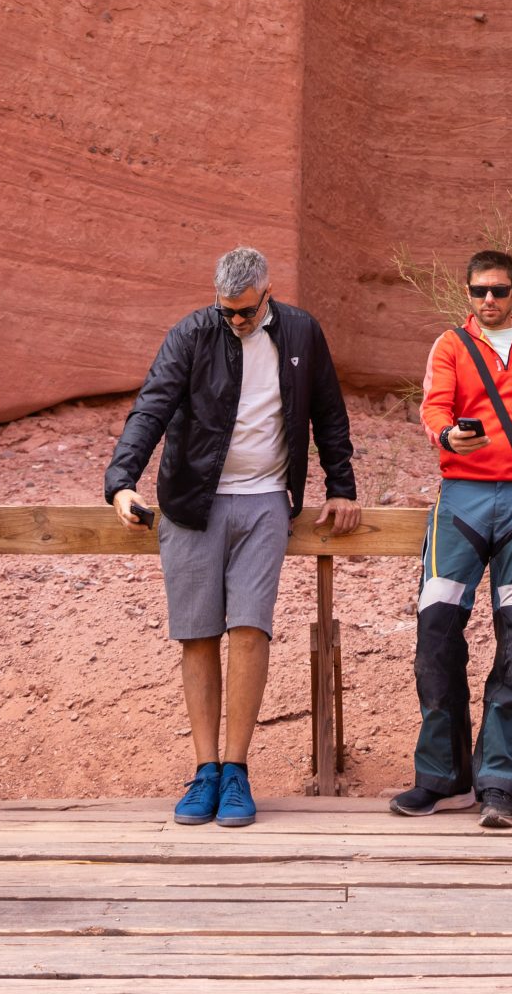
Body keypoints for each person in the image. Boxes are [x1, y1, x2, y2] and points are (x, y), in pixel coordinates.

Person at [105, 246, 360, 829]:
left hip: (267, 502)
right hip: (193, 502)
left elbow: (329, 411)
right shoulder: (192, 333)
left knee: (250, 629)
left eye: (245, 312)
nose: (236, 322)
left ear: (267, 294)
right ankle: (206, 770)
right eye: (227, 312)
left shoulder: (300, 333)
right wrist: (121, 481)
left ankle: (238, 769)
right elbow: (151, 407)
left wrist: (341, 485)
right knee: (197, 634)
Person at [391, 248, 512, 830]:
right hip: (463, 501)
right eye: (479, 292)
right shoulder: (452, 345)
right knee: (436, 630)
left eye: (499, 291)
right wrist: (450, 437)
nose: (489, 301)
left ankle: (500, 783)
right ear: (468, 293)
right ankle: (443, 778)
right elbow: (434, 410)